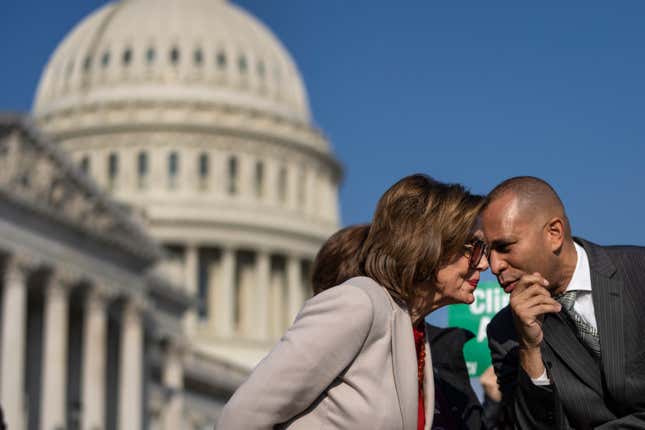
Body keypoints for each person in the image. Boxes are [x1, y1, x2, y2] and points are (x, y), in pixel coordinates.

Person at [216, 174, 489, 430]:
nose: (485, 264)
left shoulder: (413, 330)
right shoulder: (359, 303)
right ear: (432, 244)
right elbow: (241, 416)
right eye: (474, 249)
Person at [482, 176, 645, 429]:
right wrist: (529, 348)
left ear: (554, 233)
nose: (494, 266)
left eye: (505, 247)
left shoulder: (638, 273)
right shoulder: (504, 333)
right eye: (487, 252)